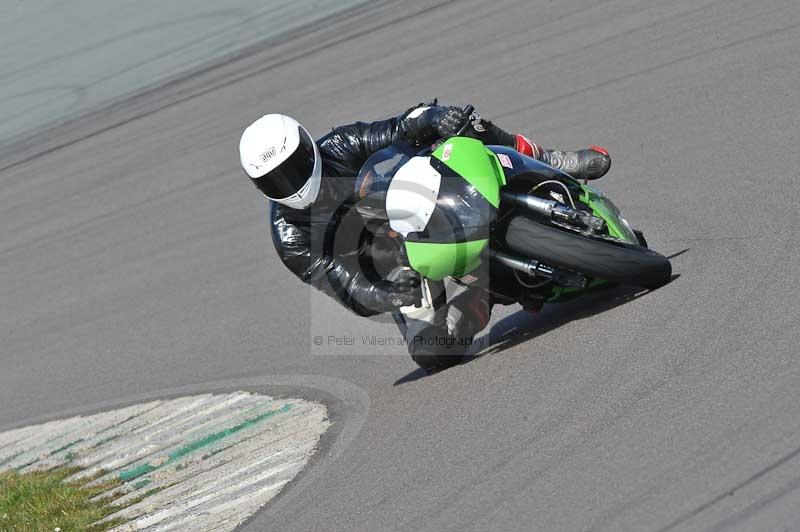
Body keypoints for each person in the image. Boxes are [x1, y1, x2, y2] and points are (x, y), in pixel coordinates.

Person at [238, 103, 610, 372]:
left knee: (463, 123)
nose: (292, 182)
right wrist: (392, 292)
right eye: (276, 180)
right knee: (432, 354)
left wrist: (433, 118)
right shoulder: (290, 238)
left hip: (424, 195)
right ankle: (480, 297)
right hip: (399, 265)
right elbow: (344, 285)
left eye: (294, 167)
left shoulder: (339, 145)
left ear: (307, 146)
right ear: (261, 187)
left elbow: (397, 128)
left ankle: (551, 159)